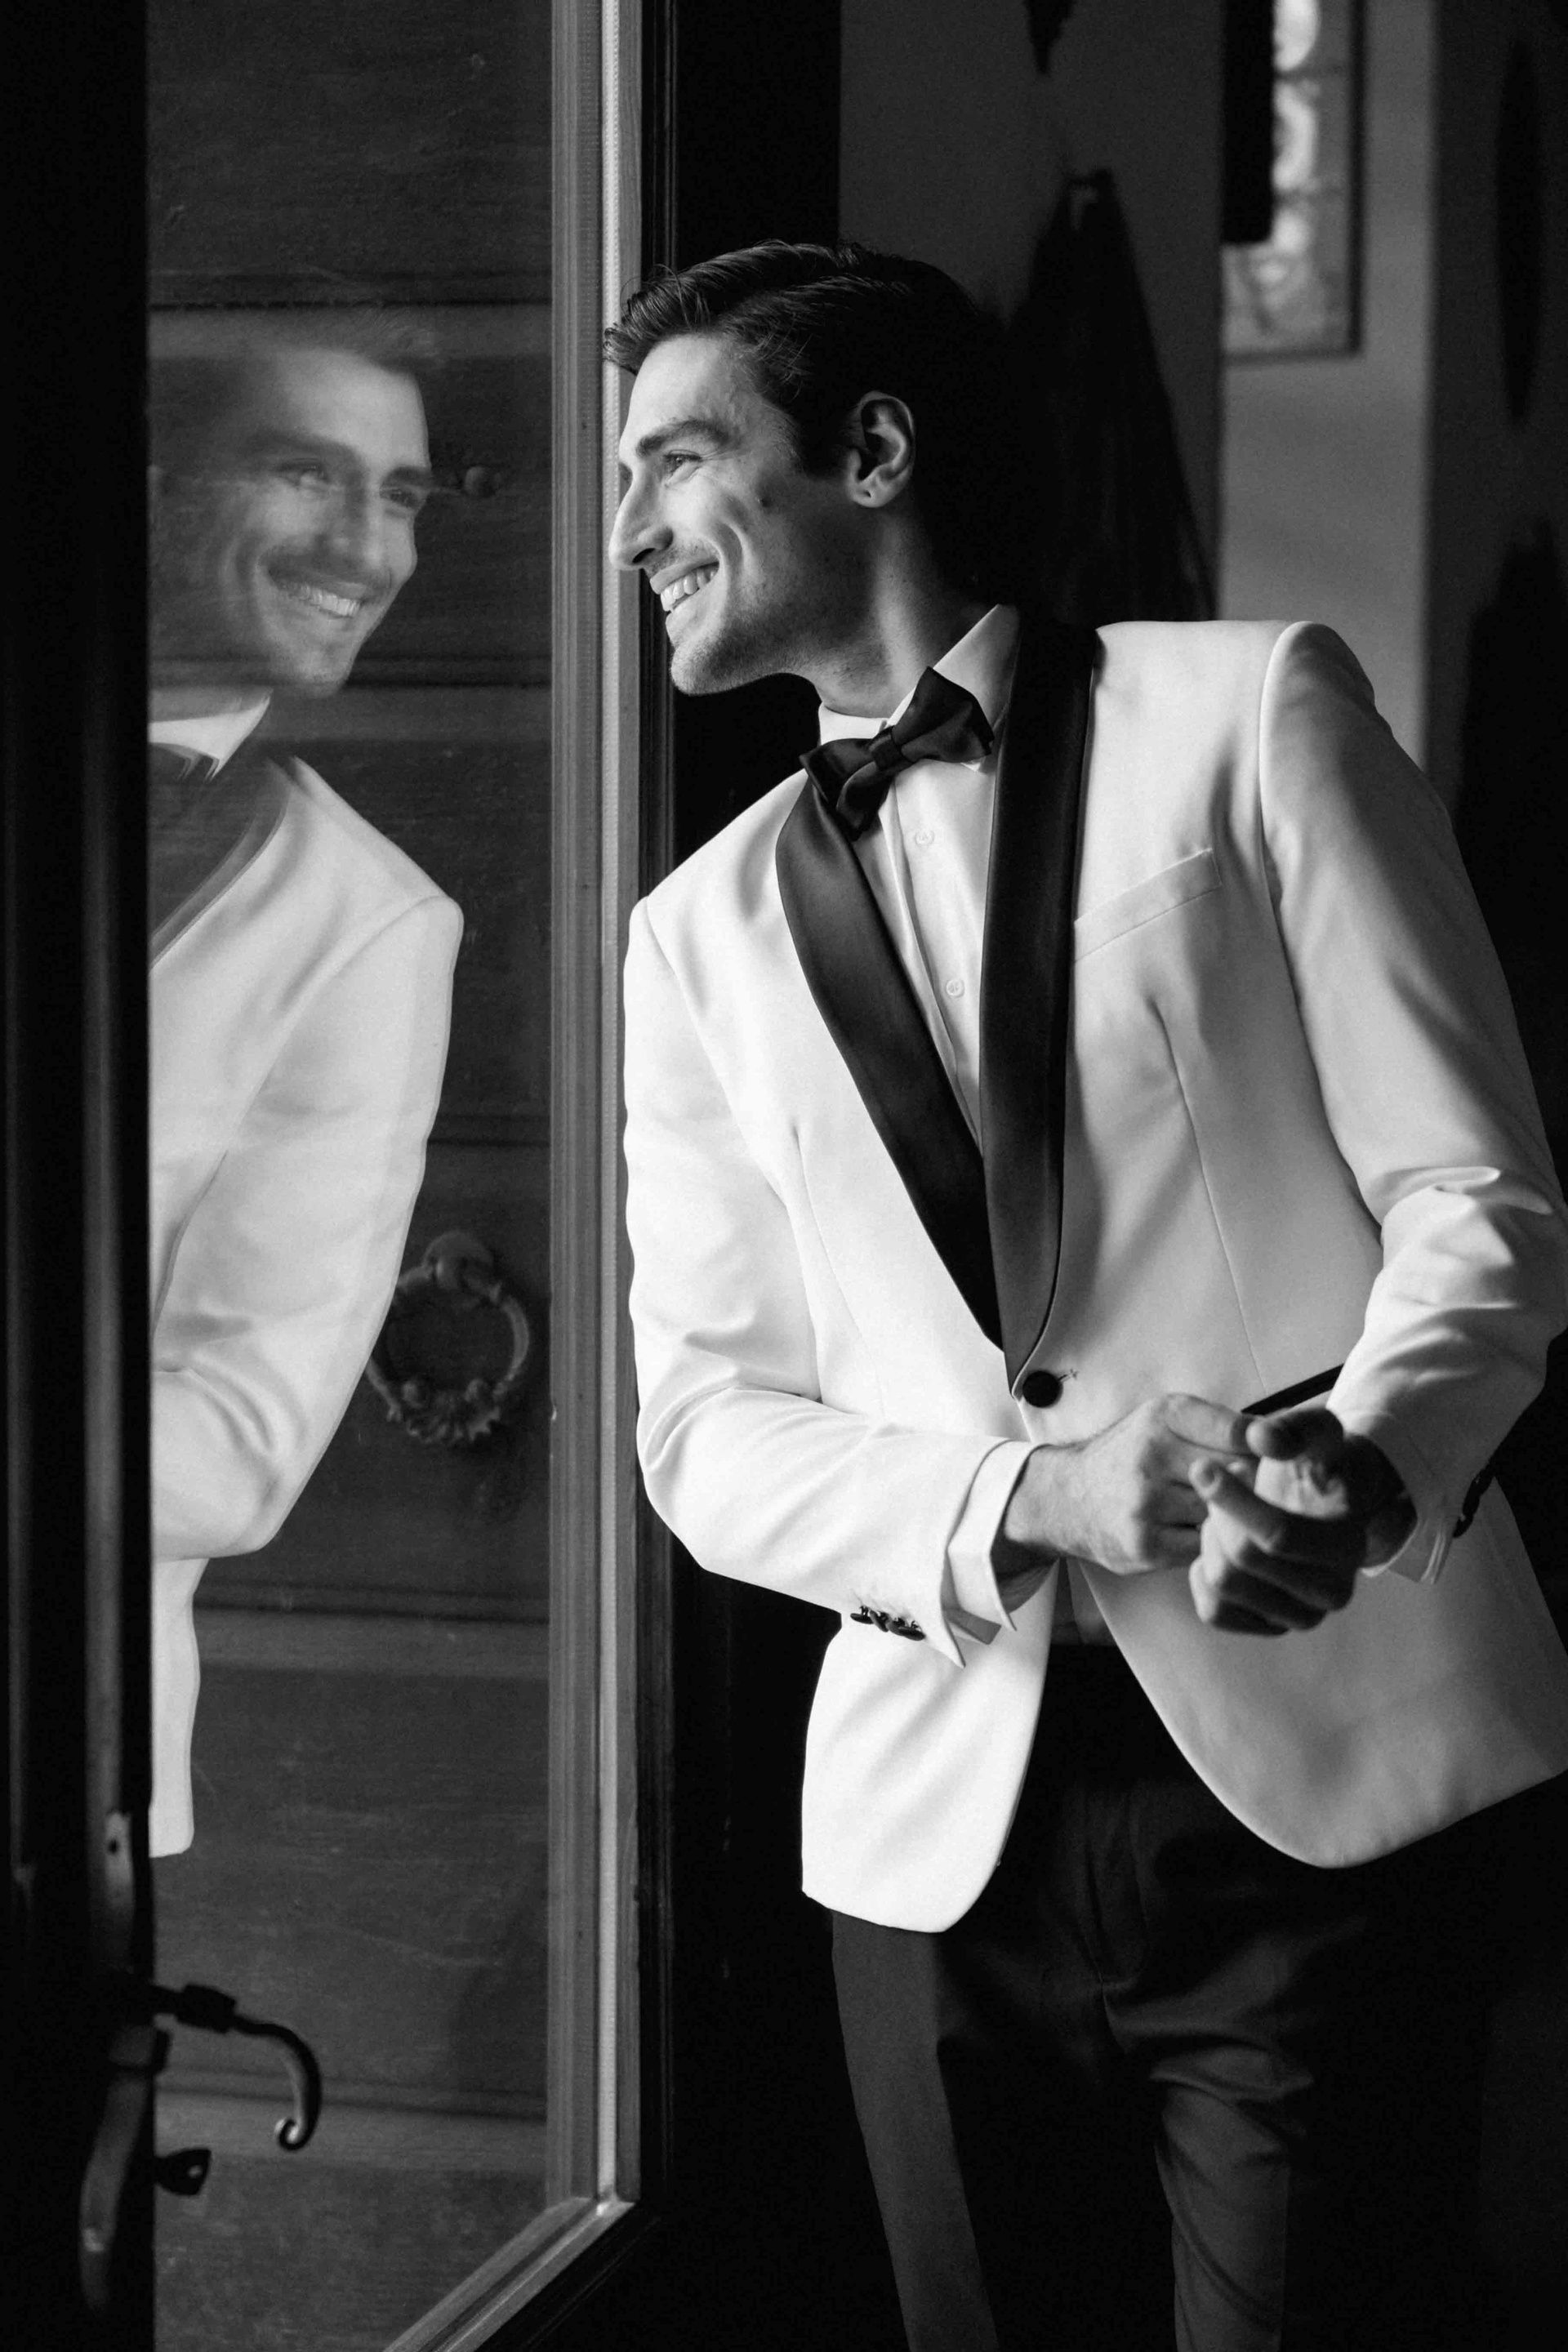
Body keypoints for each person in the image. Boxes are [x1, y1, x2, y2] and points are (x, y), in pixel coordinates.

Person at [609, 241, 1568, 2351]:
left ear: (871, 450)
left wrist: (1365, 1463)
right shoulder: (690, 936)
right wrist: (1027, 1503)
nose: (627, 534)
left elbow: (1476, 1196)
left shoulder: (1254, 713)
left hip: (1319, 1791)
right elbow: (703, 1430)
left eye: (673, 460)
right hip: (933, 1838)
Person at [148, 318, 461, 1856]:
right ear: (145, 481)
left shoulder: (364, 924)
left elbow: (238, 1449)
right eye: (302, 472)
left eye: (400, 495)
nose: (365, 549)